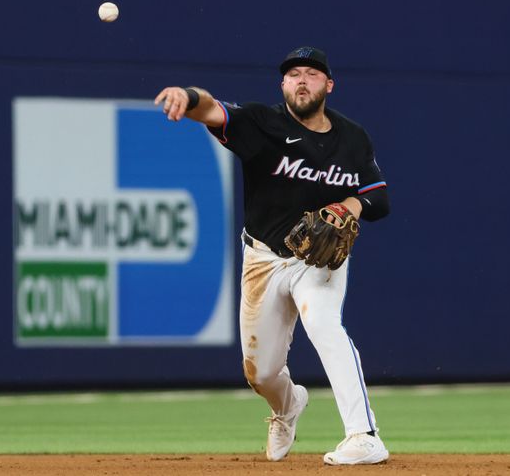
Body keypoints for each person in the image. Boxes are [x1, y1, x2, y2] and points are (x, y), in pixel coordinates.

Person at [155, 46, 390, 465]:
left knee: (323, 323)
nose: (302, 80)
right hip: (262, 259)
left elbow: (378, 198)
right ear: (282, 84)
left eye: (312, 74)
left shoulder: (352, 138)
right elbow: (211, 109)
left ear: (329, 85)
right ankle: (287, 406)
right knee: (260, 373)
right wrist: (186, 96)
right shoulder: (262, 124)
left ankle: (364, 435)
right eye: (293, 73)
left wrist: (347, 207)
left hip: (317, 262)